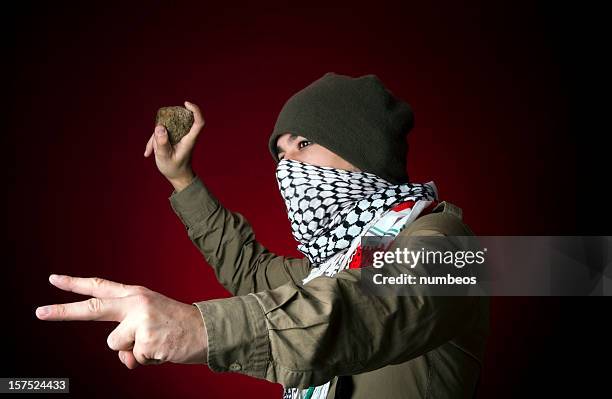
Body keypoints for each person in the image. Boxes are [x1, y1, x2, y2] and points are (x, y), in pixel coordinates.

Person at [36, 72, 489, 399]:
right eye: (281, 151)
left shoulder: (449, 243)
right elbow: (251, 269)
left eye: (303, 143)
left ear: (362, 150)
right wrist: (182, 179)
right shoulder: (334, 264)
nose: (287, 165)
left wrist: (198, 328)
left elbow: (364, 308)